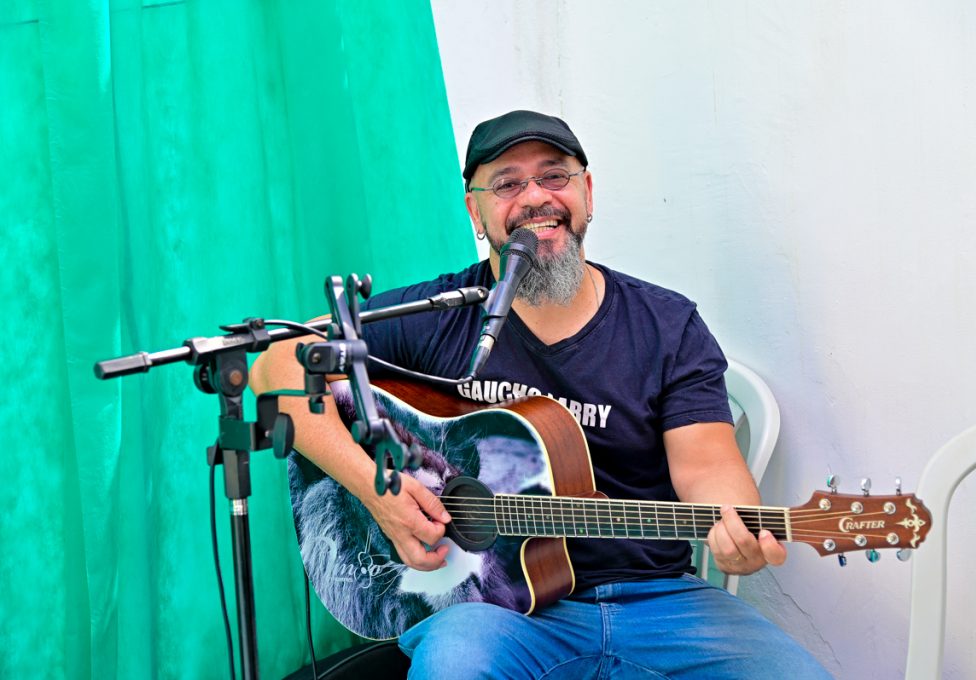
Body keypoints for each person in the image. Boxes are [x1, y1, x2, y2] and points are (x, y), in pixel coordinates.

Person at [252, 110, 829, 678]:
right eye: (507, 183)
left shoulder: (667, 326)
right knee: (454, 665)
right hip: (495, 615)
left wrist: (737, 530)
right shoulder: (438, 314)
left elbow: (708, 467)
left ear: (587, 193)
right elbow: (275, 365)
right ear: (475, 212)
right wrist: (377, 492)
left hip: (661, 603)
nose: (535, 197)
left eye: (554, 175)